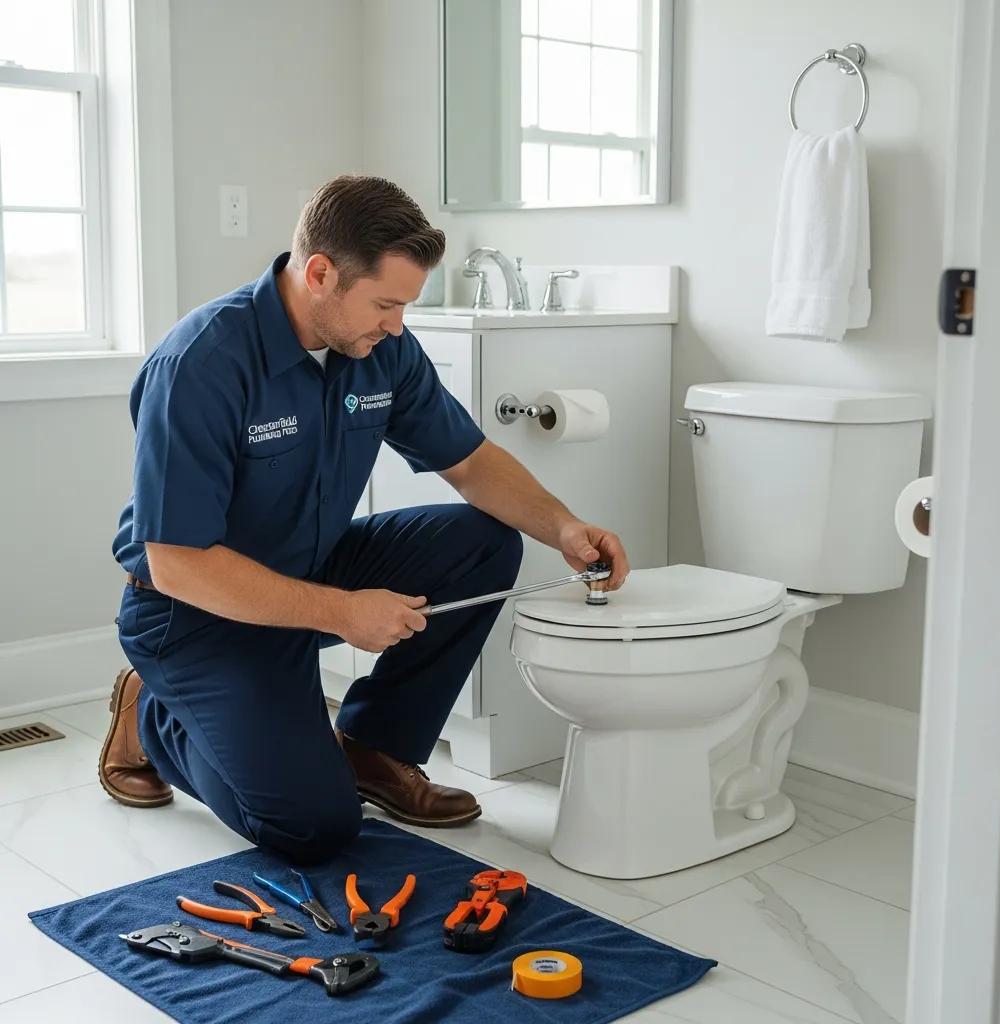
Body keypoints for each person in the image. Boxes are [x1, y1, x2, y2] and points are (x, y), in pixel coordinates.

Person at [100, 174, 629, 864]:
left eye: (405, 306)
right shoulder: (202, 363)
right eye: (385, 303)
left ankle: (375, 750)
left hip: (307, 571)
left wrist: (562, 526)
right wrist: (342, 613)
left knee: (480, 541)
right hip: (194, 614)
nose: (398, 325)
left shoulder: (379, 349)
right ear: (320, 273)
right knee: (313, 828)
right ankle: (150, 715)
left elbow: (469, 462)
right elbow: (178, 562)